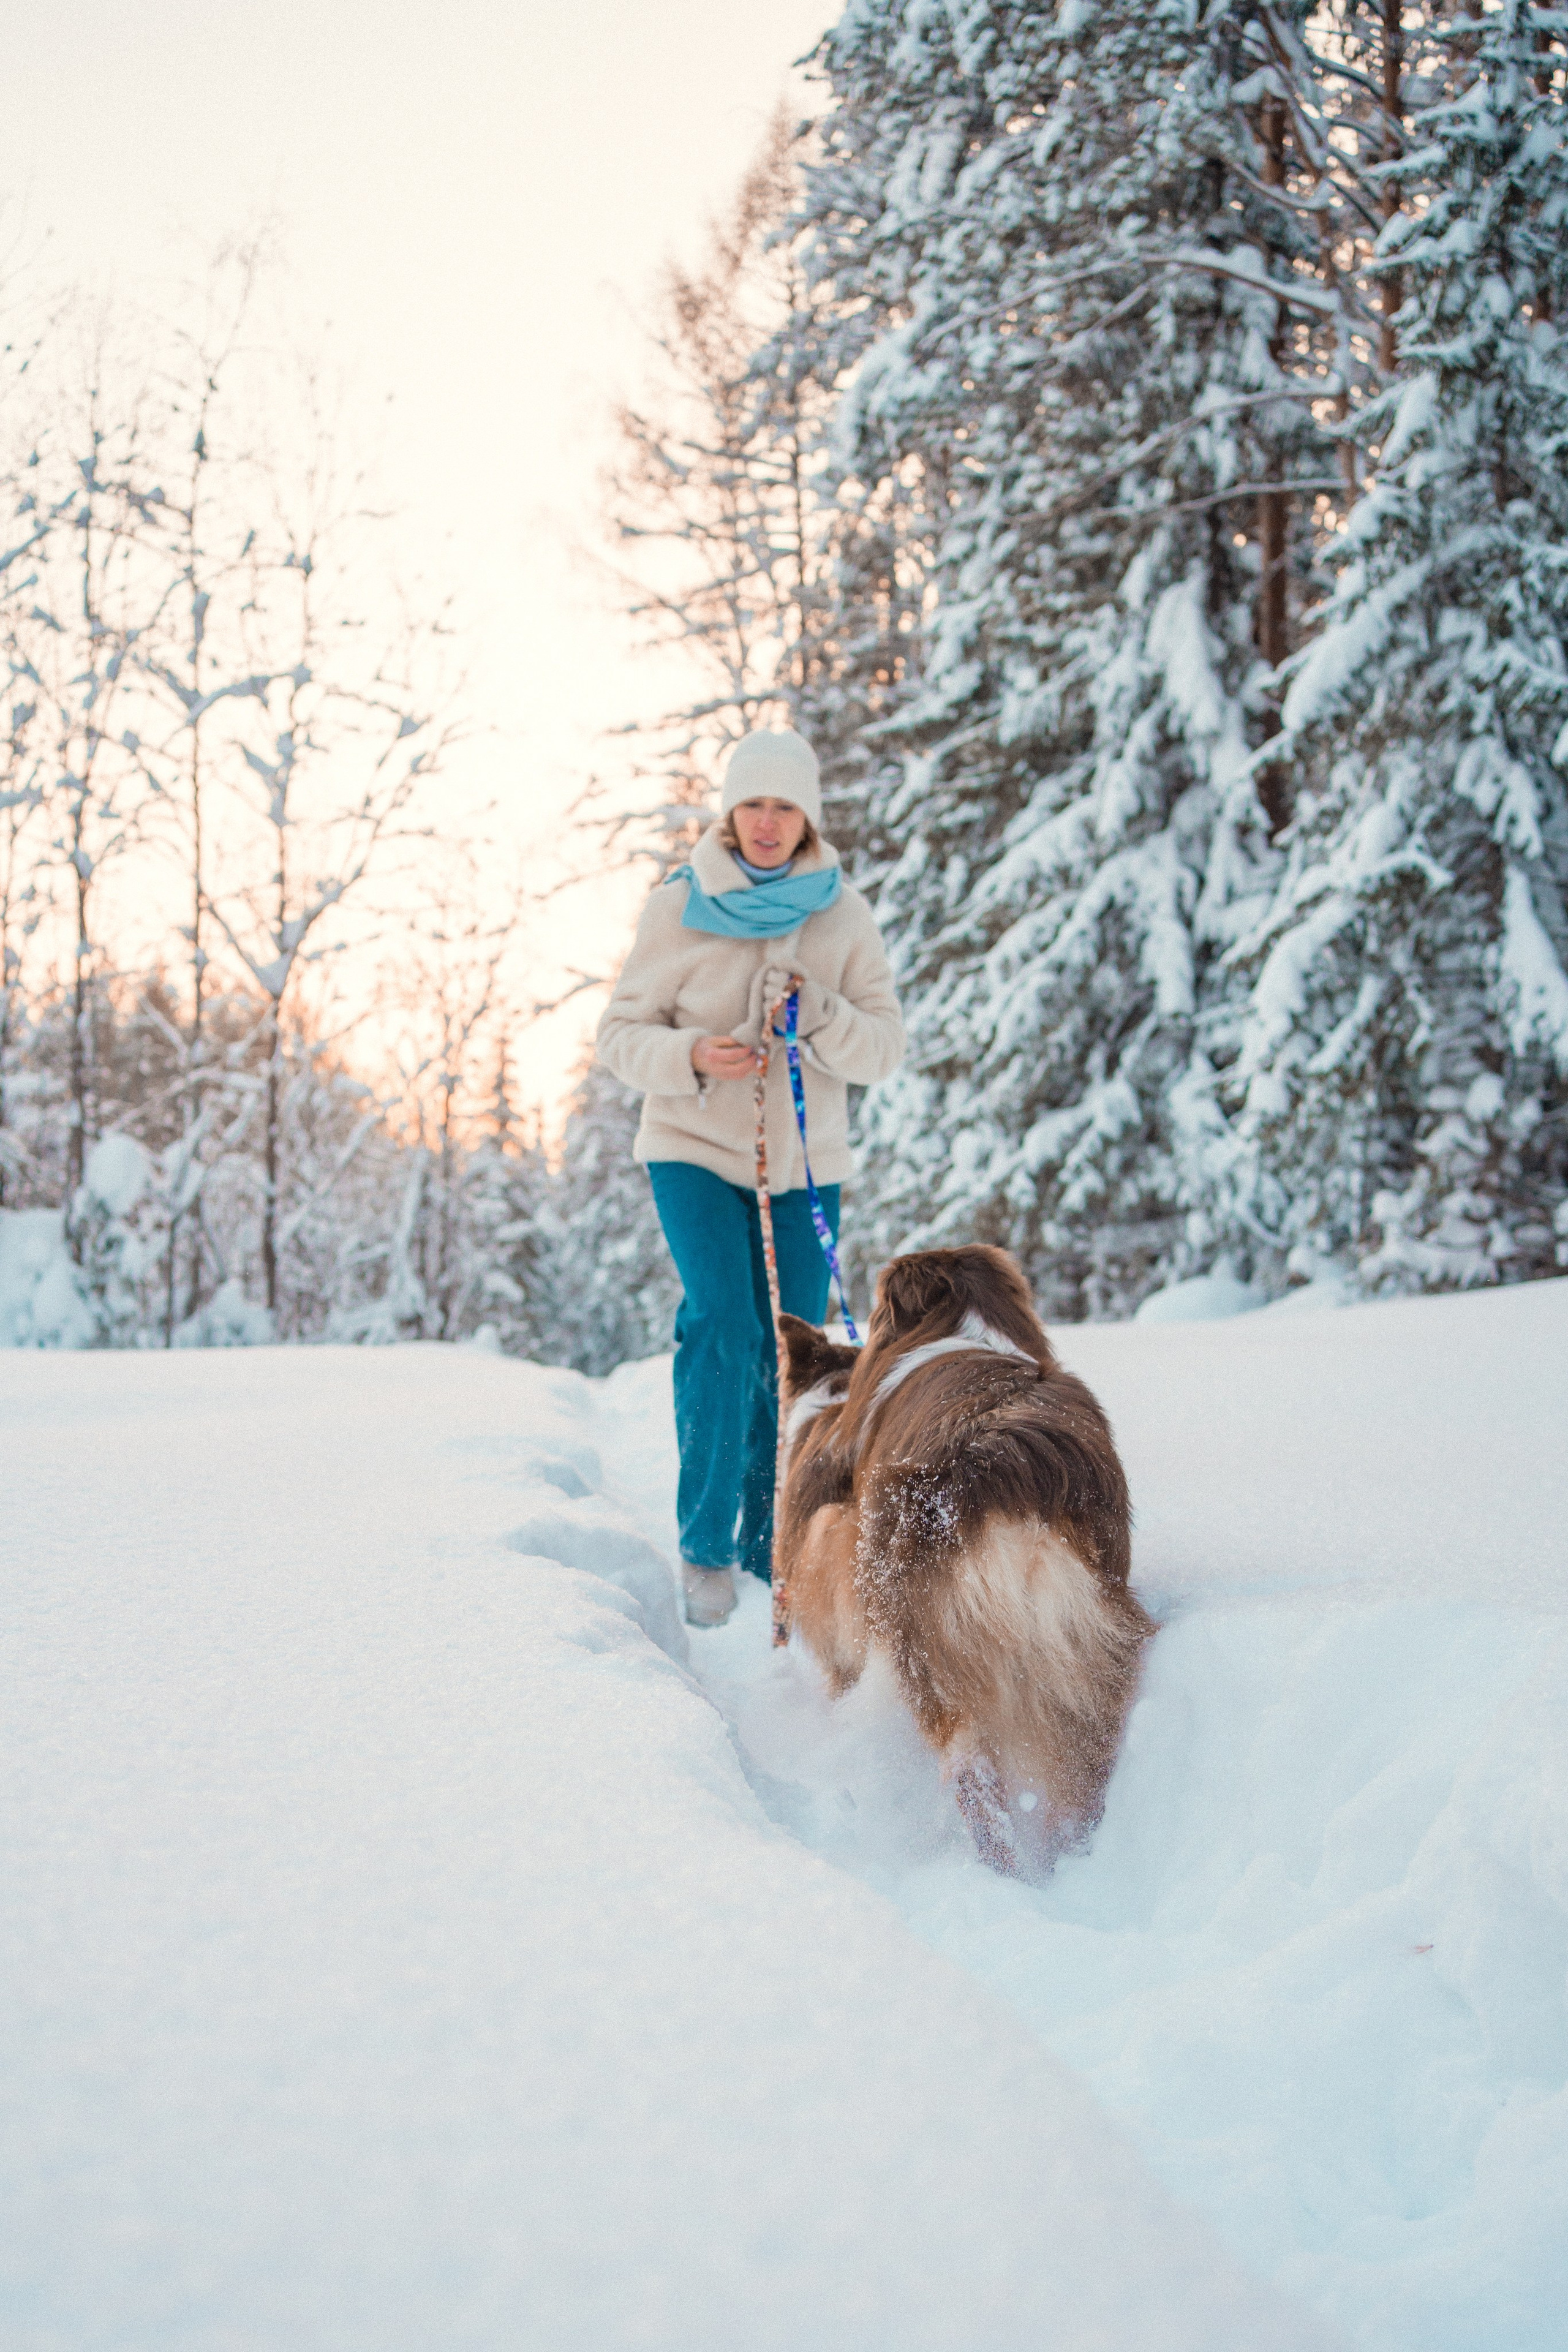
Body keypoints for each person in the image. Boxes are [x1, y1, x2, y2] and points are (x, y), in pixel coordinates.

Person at [596, 727, 904, 1626]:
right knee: (725, 1321)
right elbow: (619, 1036)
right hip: (690, 1145)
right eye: (753, 805)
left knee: (794, 1349)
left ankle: (777, 1540)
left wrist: (820, 1016)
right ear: (730, 814)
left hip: (803, 1163)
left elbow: (883, 1047)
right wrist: (691, 1054)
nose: (768, 823)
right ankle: (706, 1548)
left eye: (785, 807)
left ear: (808, 817)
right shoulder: (678, 907)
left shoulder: (843, 916)